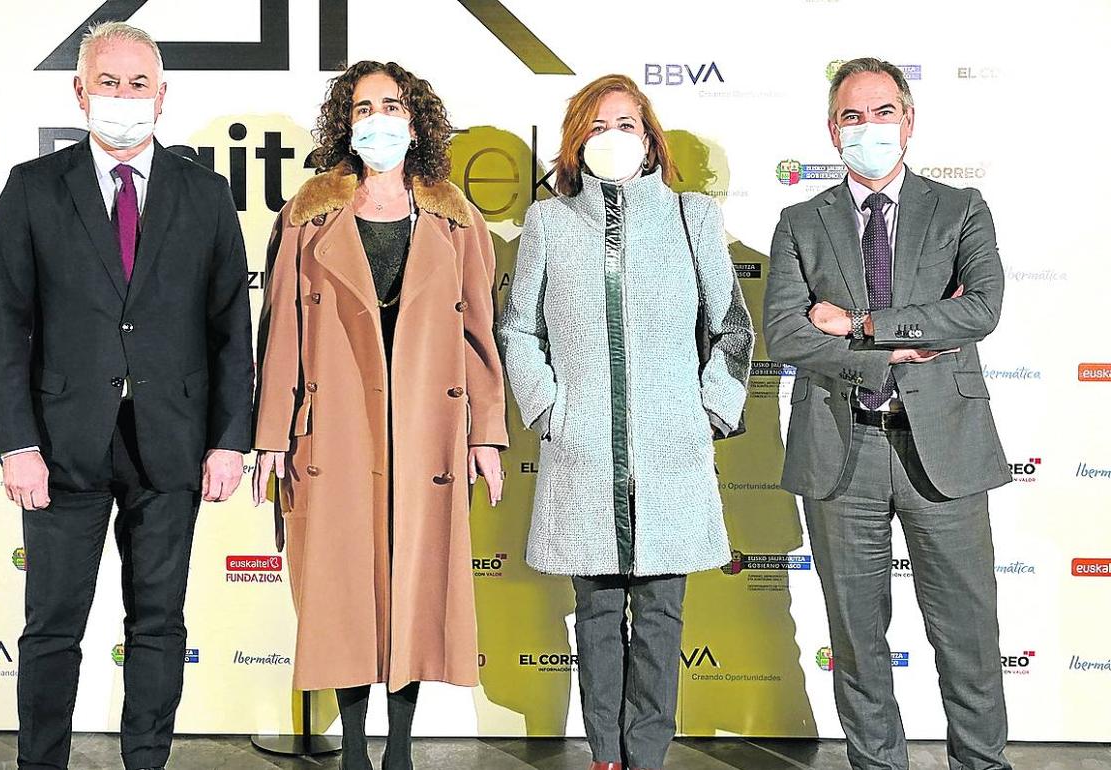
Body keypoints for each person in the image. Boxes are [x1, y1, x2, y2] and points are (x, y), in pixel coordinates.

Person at [0, 21, 253, 770]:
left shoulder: (205, 195)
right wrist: (16, 443)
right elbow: (6, 327)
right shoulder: (33, 190)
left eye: (139, 85)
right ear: (80, 91)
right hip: (61, 445)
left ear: (162, 98)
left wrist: (231, 438)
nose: (124, 98)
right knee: (52, 626)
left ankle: (146, 762)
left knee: (160, 622)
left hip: (172, 442)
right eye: (110, 82)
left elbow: (233, 326)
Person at [250, 60, 508, 770]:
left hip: (427, 434)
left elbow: (481, 338)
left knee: (415, 590)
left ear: (416, 119)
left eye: (391, 105)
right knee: (341, 592)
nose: (378, 119)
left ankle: (399, 750)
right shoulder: (308, 214)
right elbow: (279, 337)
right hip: (332, 432)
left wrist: (487, 433)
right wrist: (271, 436)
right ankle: (356, 752)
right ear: (346, 124)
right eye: (363, 108)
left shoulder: (457, 219)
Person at [498, 74, 753, 770]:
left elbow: (731, 328)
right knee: (600, 617)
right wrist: (552, 410)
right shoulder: (548, 222)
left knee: (664, 620)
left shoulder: (691, 216)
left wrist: (706, 413)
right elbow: (519, 329)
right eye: (599, 125)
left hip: (671, 455)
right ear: (579, 140)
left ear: (650, 141)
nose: (614, 137)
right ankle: (604, 756)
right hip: (583, 456)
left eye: (628, 125)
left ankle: (648, 755)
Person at [764, 57, 1012, 770]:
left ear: (908, 121)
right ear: (831, 128)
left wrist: (862, 327)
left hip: (947, 451)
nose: (867, 127)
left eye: (881, 112)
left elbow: (980, 309)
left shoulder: (959, 208)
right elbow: (787, 333)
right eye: (851, 115)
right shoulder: (799, 221)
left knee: (966, 635)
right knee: (857, 641)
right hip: (844, 451)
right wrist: (893, 353)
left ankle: (982, 764)